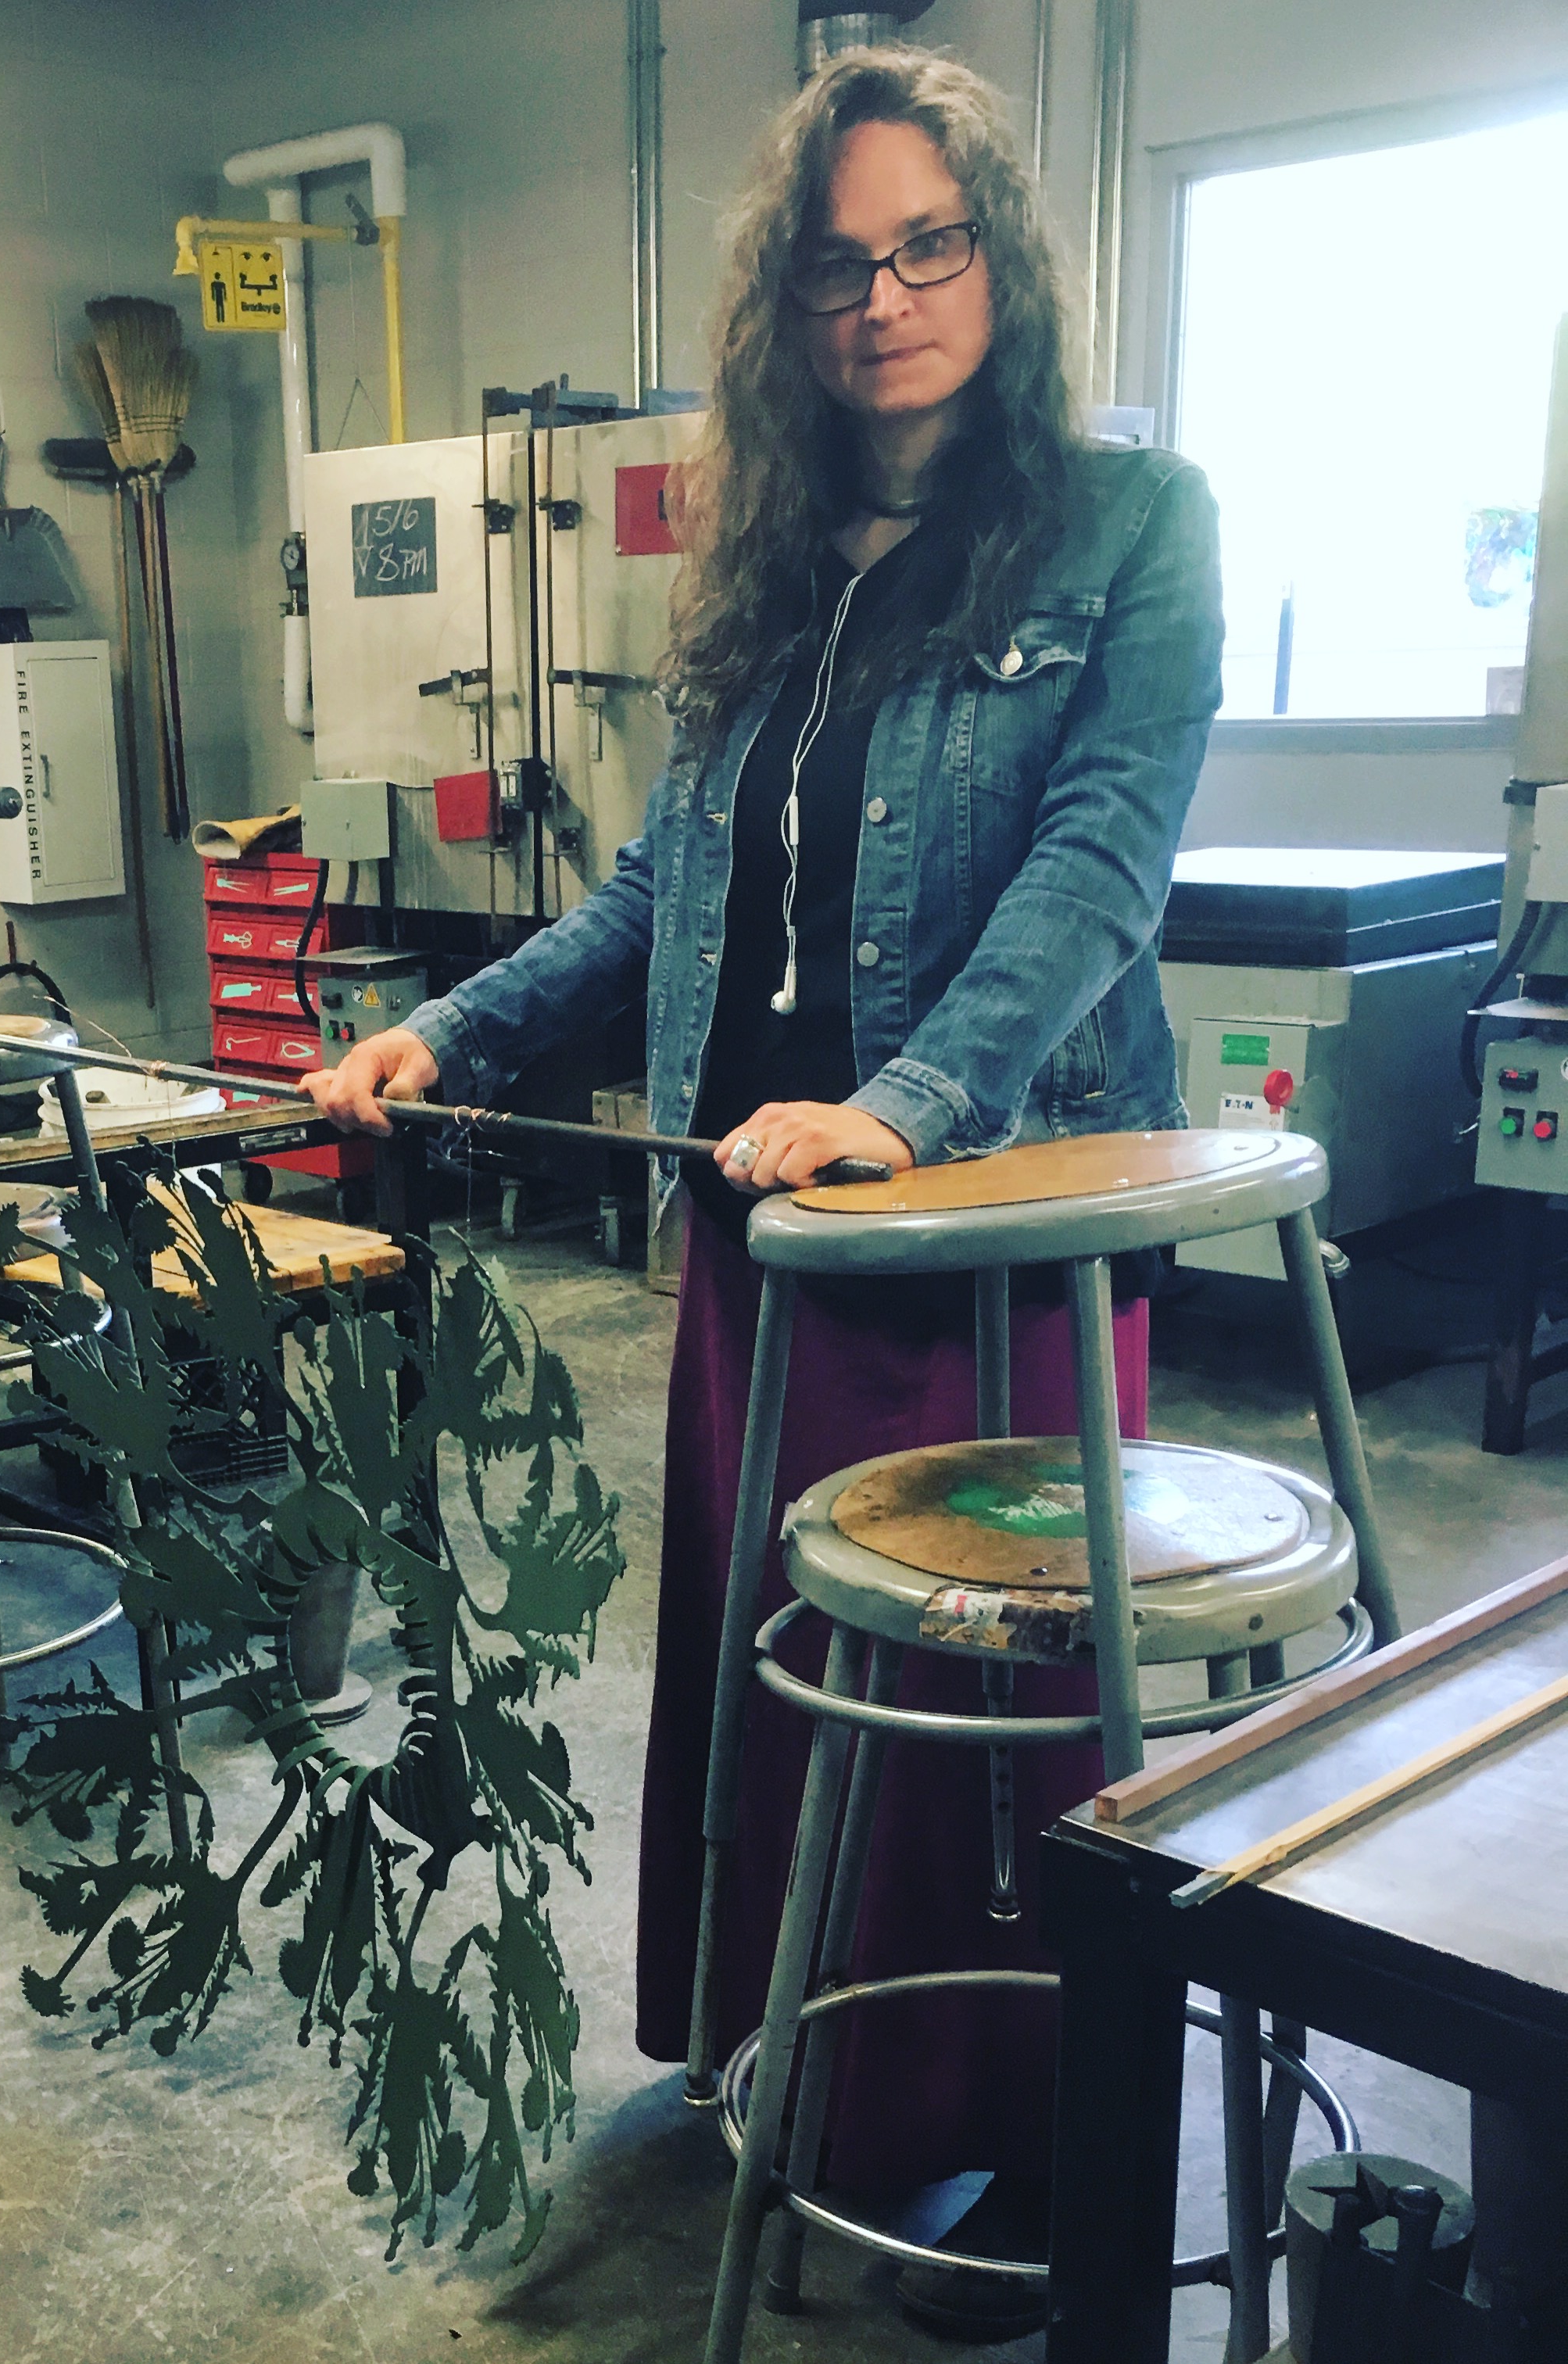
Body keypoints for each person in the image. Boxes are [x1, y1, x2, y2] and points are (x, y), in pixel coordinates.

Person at [301, 45, 1221, 2340]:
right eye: (835, 264)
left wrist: (909, 1103)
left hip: (991, 1229)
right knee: (782, 1671)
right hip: (767, 1224)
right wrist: (461, 1028)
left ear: (1001, 260)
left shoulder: (1134, 525)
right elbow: (663, 896)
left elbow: (1102, 865)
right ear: (784, 302)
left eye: (930, 246)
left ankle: (1030, 2135)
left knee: (998, 1713)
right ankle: (794, 2058)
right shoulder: (774, 564)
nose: (884, 299)